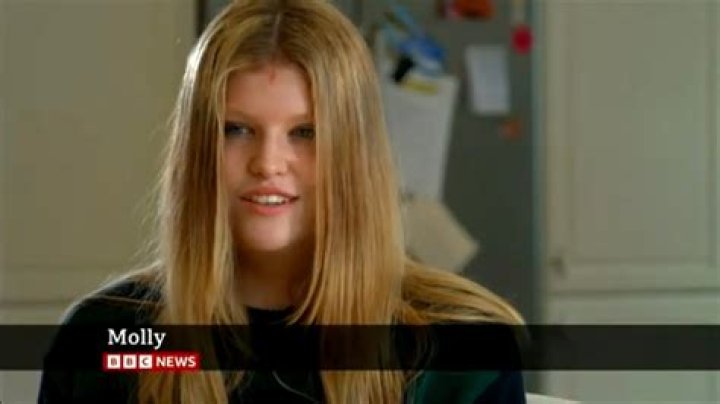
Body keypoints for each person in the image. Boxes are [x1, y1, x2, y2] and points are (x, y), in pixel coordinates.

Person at [38, 0, 526, 402]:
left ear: (355, 157)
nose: (268, 162)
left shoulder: (463, 350)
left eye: (305, 132)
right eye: (237, 129)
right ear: (196, 152)